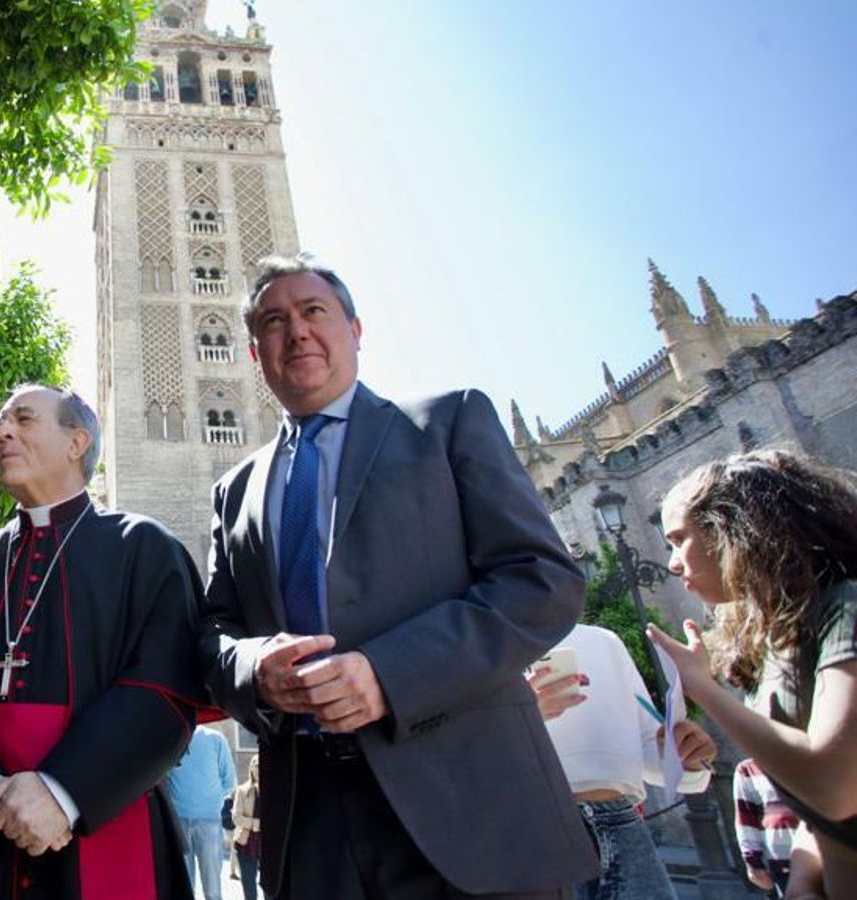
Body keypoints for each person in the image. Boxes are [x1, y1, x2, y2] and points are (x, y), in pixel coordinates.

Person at [199, 256, 596, 899]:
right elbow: (215, 633)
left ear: (355, 329)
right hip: (311, 826)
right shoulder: (234, 491)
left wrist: (389, 674)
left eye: (314, 312)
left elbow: (542, 579)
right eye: (274, 321)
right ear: (253, 352)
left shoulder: (446, 422)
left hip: (469, 809)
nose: (296, 331)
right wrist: (253, 670)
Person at [0, 384, 208, 899]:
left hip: (107, 819)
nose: (3, 432)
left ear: (77, 442)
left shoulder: (144, 549)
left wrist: (63, 791)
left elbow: (164, 693)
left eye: (24, 419)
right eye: (0, 424)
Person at [649, 449, 857, 899]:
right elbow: (821, 805)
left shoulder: (846, 605)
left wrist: (703, 688)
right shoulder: (780, 634)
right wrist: (806, 864)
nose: (672, 563)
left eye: (679, 539)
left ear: (735, 530)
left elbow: (835, 785)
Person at [530, 623, 717, 900]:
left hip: (624, 826)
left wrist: (684, 755)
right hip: (532, 831)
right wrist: (520, 714)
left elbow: (646, 748)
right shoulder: (473, 641)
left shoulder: (606, 640)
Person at [164, 725, 236, 900]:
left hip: (209, 821)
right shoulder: (170, 738)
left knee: (212, 890)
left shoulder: (216, 739)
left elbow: (229, 780)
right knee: (184, 889)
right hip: (178, 821)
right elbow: (163, 779)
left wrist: (210, 803)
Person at [735, 757, 800, 897]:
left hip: (835, 860)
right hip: (784, 865)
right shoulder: (749, 768)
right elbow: (746, 820)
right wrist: (753, 863)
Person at [230, 758, 261, 900]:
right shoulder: (242, 790)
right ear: (251, 769)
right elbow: (236, 817)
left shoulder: (274, 792)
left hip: (268, 846)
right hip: (246, 844)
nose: (259, 769)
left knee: (270, 887)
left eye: (261, 766)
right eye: (256, 766)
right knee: (249, 887)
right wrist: (255, 824)